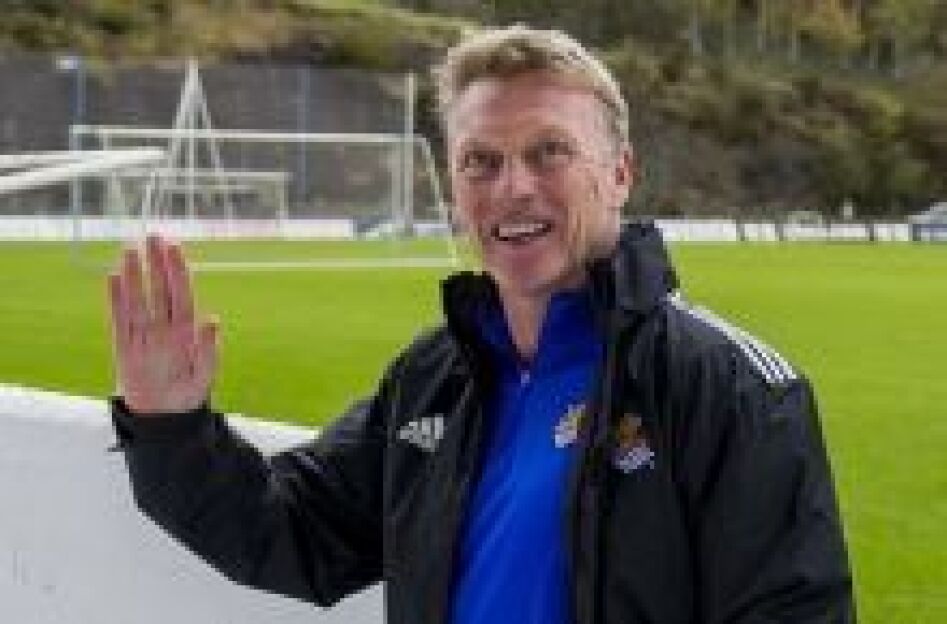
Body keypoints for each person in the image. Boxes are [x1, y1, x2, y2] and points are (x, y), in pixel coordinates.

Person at [107, 25, 855, 624]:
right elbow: (294, 534)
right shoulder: (435, 376)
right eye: (481, 162)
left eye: (549, 152)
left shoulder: (729, 387)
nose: (514, 187)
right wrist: (170, 427)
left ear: (620, 173)